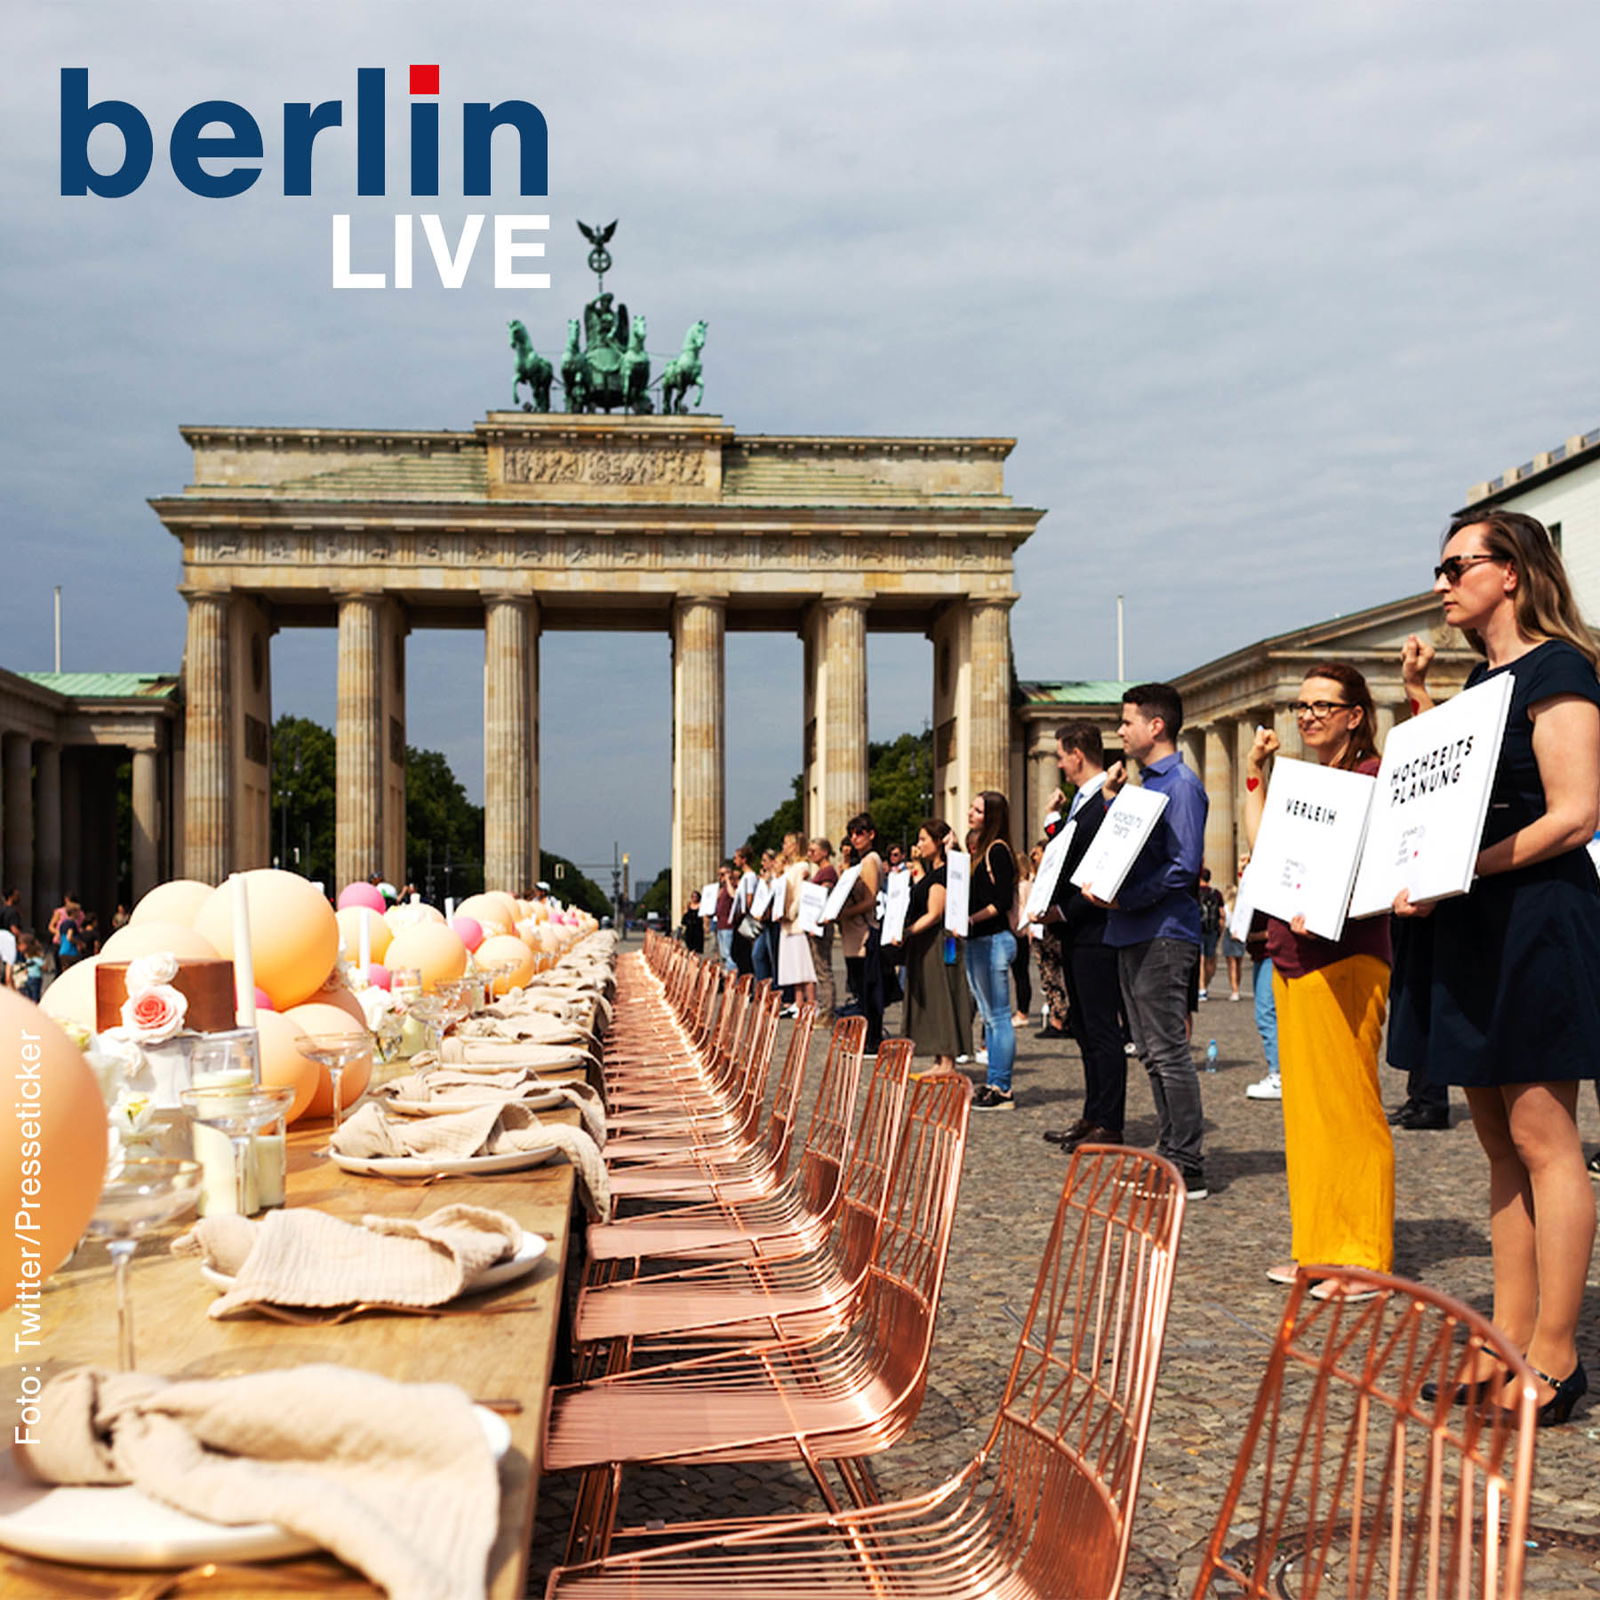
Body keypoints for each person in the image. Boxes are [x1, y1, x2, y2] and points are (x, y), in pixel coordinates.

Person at [1389, 509, 1599, 1426]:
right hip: (1472, 922)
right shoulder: (1482, 679)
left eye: (1455, 565)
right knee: (1499, 1147)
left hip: (1536, 919)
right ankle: (1507, 1341)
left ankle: (1556, 1355)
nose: (1440, 582)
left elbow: (1574, 814)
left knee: (1548, 1143)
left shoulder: (1561, 667)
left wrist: (1457, 871)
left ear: (1510, 571)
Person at [1245, 662, 1394, 1299]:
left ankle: (1363, 1257)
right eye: (1301, 706)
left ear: (1355, 714)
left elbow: (1384, 861)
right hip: (1292, 956)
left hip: (1344, 955)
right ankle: (1318, 1247)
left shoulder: (1370, 775)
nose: (1307, 716)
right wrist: (1257, 770)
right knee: (1307, 1117)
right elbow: (1269, 844)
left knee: (1349, 1110)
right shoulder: (1314, 778)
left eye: (1321, 706)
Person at [1092, 684, 1210, 1197]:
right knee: (1150, 1052)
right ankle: (1171, 1152)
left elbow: (1184, 867)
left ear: (1155, 726)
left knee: (1167, 1050)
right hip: (1133, 930)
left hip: (1161, 932)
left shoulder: (1179, 785)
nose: (1120, 731)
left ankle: (1188, 1162)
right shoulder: (1144, 787)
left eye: (1127, 721)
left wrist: (1127, 898)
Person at [1037, 721, 1127, 1150]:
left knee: (1102, 1029)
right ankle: (1093, 1114)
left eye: (1059, 754)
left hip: (1096, 929)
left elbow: (1099, 869)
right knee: (1085, 1029)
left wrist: (1060, 910)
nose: (1057, 762)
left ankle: (1109, 1121)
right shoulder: (1082, 802)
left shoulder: (1103, 803)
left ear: (1077, 754)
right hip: (1076, 930)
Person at [887, 819, 971, 1073]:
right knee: (935, 997)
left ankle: (946, 1060)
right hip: (931, 943)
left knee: (942, 994)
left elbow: (934, 913)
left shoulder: (943, 874)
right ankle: (940, 1058)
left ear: (938, 841)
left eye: (924, 839)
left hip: (940, 942)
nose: (919, 844)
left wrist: (906, 932)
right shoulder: (932, 872)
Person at [964, 790, 1019, 1109]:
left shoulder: (997, 851)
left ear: (992, 817)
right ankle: (994, 1082)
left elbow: (1000, 902)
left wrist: (971, 918)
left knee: (998, 1016)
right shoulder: (980, 850)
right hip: (978, 940)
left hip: (992, 939)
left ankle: (1003, 1087)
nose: (970, 813)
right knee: (988, 1015)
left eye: (977, 810)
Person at [838, 814, 886, 1051]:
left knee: (867, 989)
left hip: (863, 932)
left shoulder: (870, 861)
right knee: (859, 987)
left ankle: (872, 1039)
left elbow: (870, 900)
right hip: (853, 934)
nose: (854, 837)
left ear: (871, 834)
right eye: (852, 833)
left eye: (860, 832)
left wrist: (842, 913)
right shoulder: (860, 861)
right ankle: (866, 1036)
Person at [776, 832, 816, 1013]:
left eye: (786, 843)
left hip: (796, 921)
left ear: (794, 846)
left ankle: (811, 1002)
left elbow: (800, 893)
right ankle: (798, 1002)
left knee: (803, 964)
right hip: (786, 922)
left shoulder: (802, 866)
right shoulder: (790, 867)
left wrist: (790, 913)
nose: (783, 847)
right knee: (793, 965)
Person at [805, 837, 839, 1017]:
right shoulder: (821, 872)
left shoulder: (827, 873)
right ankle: (825, 1007)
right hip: (815, 924)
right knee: (819, 967)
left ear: (824, 852)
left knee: (823, 967)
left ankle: (827, 1010)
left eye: (813, 850)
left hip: (820, 925)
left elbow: (823, 897)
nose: (809, 854)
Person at [1196, 868, 1224, 1000]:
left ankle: (1201, 988)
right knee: (1210, 959)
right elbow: (1222, 914)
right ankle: (1205, 985)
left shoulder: (1195, 893)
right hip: (1212, 930)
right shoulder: (1216, 893)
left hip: (1198, 929)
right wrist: (1220, 931)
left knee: (1200, 959)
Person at [1220, 882, 1246, 1000]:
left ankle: (1234, 989)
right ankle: (1237, 988)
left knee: (1231, 965)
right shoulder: (1241, 907)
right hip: (1240, 934)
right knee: (1238, 964)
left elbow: (1225, 923)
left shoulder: (1226, 907)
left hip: (1229, 934)